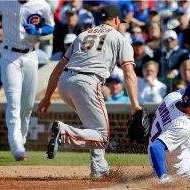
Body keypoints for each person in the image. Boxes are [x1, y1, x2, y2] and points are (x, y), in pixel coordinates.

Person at [37, 5, 142, 179]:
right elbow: (129, 73)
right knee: (102, 136)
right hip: (87, 83)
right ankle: (64, 133)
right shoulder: (119, 38)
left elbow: (58, 67)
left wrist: (47, 97)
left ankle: (99, 169)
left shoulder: (82, 35)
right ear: (116, 20)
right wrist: (135, 104)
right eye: (120, 22)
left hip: (65, 82)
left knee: (94, 127)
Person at [0, 0, 55, 161]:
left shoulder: (41, 5)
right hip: (10, 56)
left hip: (30, 55)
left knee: (28, 104)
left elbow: (51, 26)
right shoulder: (5, 2)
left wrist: (39, 29)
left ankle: (21, 139)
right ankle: (17, 147)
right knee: (14, 102)